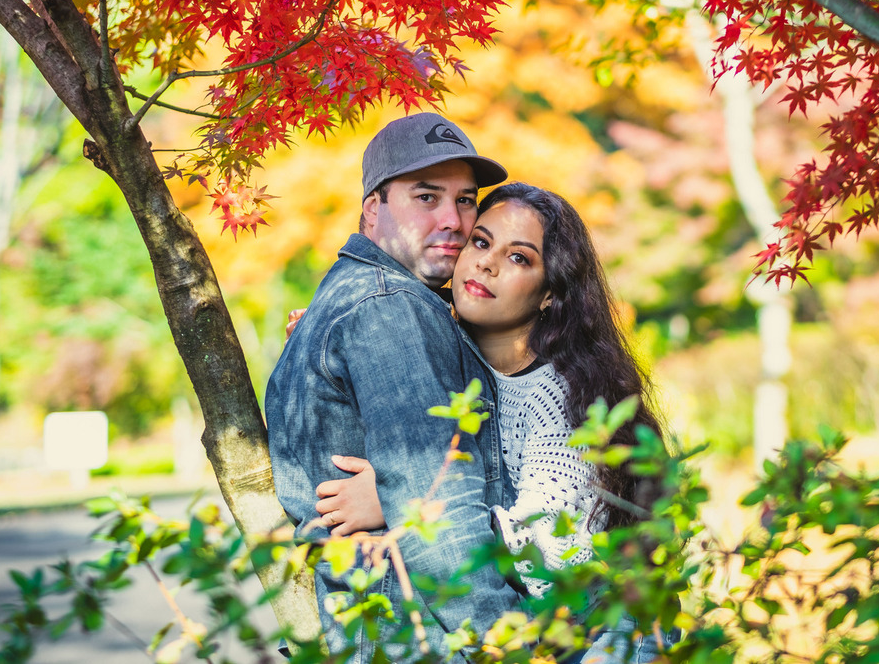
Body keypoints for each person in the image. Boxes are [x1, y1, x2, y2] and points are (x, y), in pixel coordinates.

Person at [313, 182, 669, 662]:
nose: (486, 262)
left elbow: (541, 546)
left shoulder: (561, 398)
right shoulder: (430, 342)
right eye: (480, 242)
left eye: (519, 258)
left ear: (549, 294)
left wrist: (404, 496)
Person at [263, 113, 522, 663]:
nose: (454, 220)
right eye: (426, 197)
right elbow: (440, 513)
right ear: (372, 207)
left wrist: (395, 495)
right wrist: (507, 646)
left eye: (466, 199)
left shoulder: (360, 296)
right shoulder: (387, 307)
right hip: (417, 634)